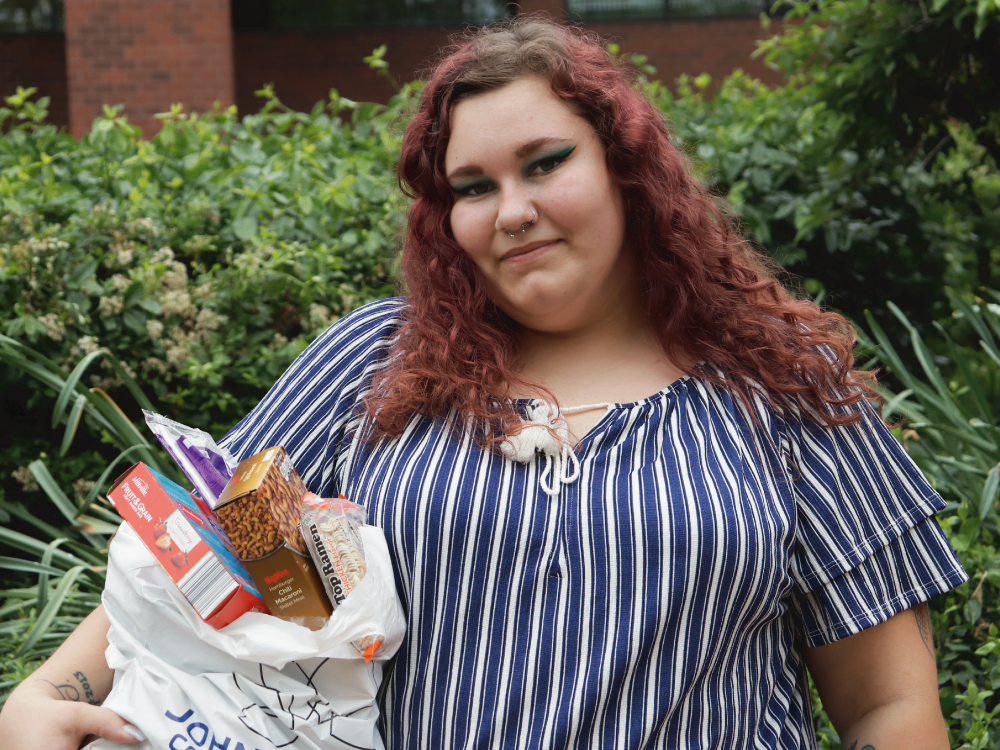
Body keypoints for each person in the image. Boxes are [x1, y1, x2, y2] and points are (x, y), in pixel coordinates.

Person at [0, 18, 967, 750]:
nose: (513, 211)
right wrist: (49, 694)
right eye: (472, 186)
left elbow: (888, 702)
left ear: (628, 171)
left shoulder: (785, 393)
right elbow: (205, 554)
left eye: (546, 163)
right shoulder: (372, 366)